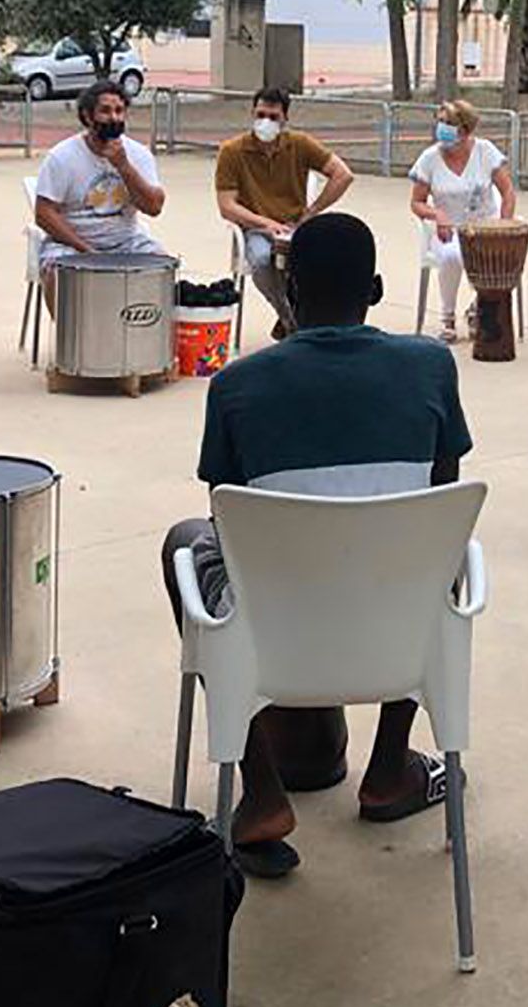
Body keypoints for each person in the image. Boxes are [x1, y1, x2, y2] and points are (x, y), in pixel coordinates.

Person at [159, 212, 470, 879]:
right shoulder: (430, 367)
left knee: (185, 544)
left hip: (279, 630)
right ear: (378, 288)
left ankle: (262, 791)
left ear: (290, 293)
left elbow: (228, 518)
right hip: (399, 624)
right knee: (440, 554)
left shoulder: (236, 385)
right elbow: (442, 502)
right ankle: (390, 766)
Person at [214, 87, 354, 339]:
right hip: (254, 227)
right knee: (260, 260)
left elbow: (343, 175)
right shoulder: (231, 151)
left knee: (328, 257)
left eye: (273, 116)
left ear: (285, 119)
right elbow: (227, 206)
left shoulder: (300, 145)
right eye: (261, 114)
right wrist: (265, 223)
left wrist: (312, 212)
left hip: (295, 227)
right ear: (252, 113)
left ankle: (320, 318)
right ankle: (291, 320)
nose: (265, 121)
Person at [407, 99, 516, 342]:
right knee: (451, 255)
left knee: (502, 260)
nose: (441, 128)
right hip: (449, 230)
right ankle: (448, 318)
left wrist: (503, 225)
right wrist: (438, 215)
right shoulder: (430, 158)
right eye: (440, 122)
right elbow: (417, 202)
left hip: (485, 228)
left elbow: (507, 191)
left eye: (448, 123)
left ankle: (479, 308)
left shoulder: (485, 151)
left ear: (465, 130)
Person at [35, 80, 167, 276]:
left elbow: (154, 207)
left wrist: (124, 166)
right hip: (72, 244)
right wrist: (87, 251)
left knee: (162, 267)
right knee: (58, 271)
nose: (113, 118)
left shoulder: (138, 154)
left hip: (126, 242)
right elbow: (44, 214)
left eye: (119, 111)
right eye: (105, 111)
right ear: (87, 116)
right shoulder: (61, 157)